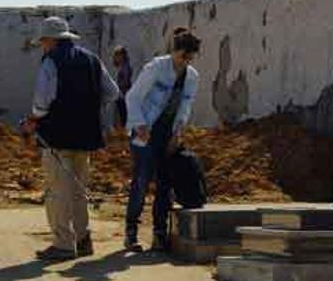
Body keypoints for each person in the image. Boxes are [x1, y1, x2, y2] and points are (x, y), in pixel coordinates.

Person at [22, 17, 119, 261]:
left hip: (57, 136)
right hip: (86, 136)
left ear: (50, 40)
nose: (43, 45)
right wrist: (88, 107)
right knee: (78, 189)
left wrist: (33, 120)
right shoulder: (92, 59)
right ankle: (83, 239)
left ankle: (63, 244)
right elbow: (112, 92)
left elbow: (42, 102)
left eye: (43, 41)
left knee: (58, 191)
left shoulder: (51, 61)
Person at [124, 30, 201, 252]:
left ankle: (159, 233)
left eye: (189, 58)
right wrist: (139, 125)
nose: (185, 62)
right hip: (145, 131)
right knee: (142, 181)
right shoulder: (156, 68)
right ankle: (131, 233)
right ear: (174, 50)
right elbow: (133, 96)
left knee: (165, 185)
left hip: (168, 135)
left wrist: (177, 134)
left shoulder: (192, 76)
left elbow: (185, 106)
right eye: (182, 56)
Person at [112, 46, 133, 129]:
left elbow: (125, 81)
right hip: (121, 94)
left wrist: (120, 91)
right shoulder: (122, 67)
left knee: (122, 117)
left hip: (123, 95)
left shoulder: (125, 67)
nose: (116, 58)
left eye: (118, 55)